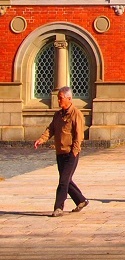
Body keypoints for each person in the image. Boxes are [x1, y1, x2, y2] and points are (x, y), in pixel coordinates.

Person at [33, 86, 89, 217]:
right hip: (60, 152)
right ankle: (81, 200)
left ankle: (58, 207)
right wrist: (41, 139)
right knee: (67, 180)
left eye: (61, 98)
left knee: (63, 181)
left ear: (69, 99)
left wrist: (75, 151)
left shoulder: (76, 114)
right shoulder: (58, 114)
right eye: (58, 98)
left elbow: (79, 134)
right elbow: (51, 129)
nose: (58, 101)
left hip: (71, 153)